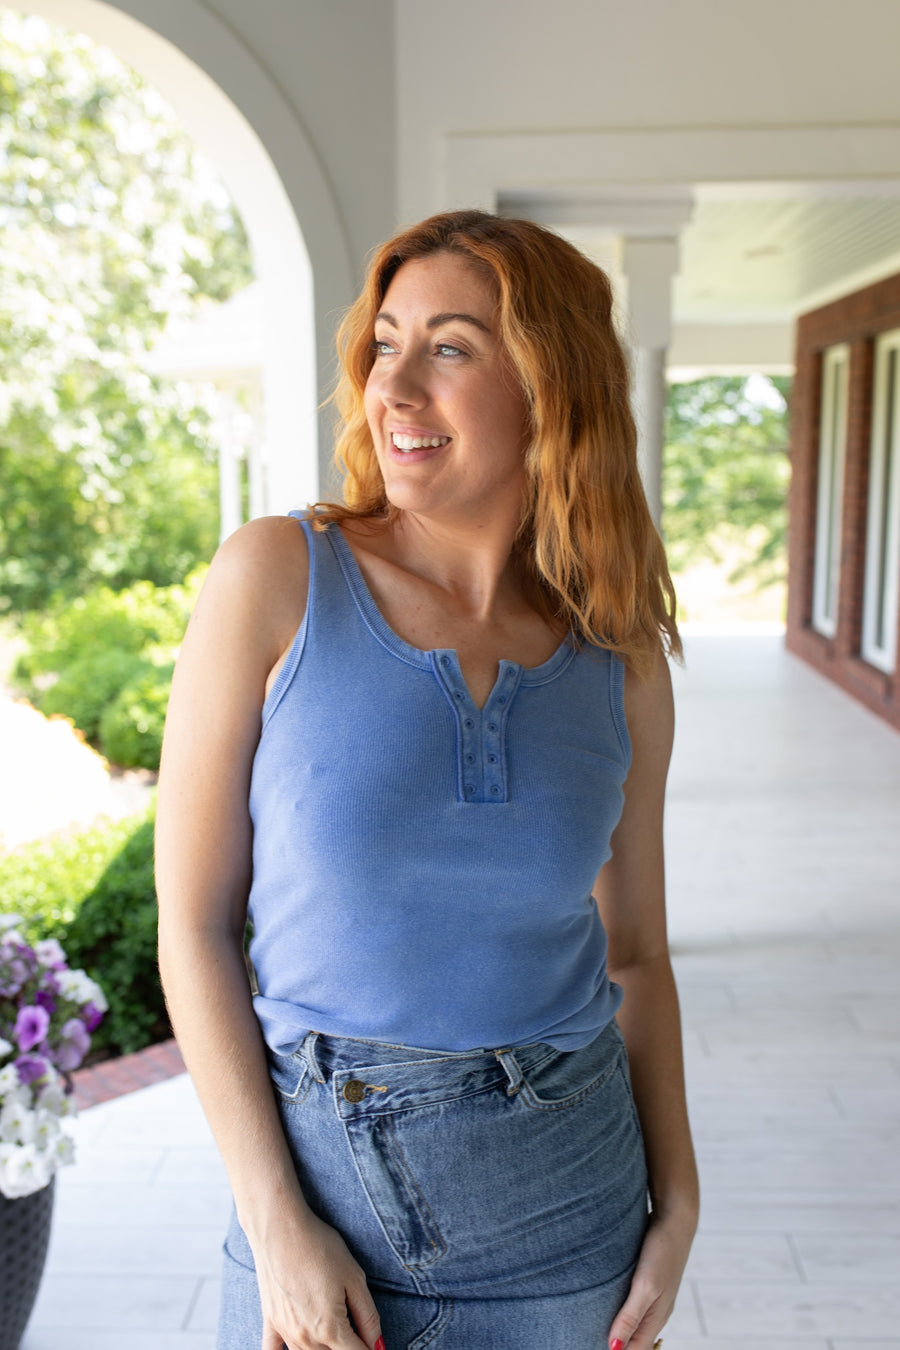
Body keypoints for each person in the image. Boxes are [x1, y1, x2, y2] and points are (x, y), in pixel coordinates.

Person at [156, 208, 699, 1350]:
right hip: (324, 1217)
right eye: (385, 344)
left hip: (573, 1215)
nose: (393, 387)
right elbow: (194, 927)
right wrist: (273, 1225)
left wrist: (681, 1195)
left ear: (553, 387)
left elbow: (636, 953)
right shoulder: (274, 577)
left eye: (450, 347)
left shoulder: (619, 655)